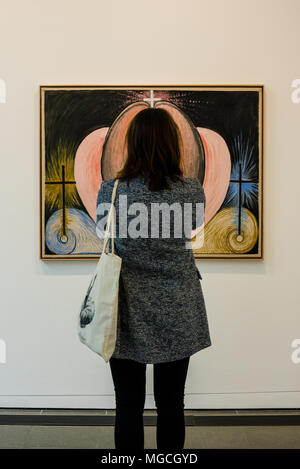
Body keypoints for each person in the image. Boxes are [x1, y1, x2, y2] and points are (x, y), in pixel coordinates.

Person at [96, 107, 212, 451]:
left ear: (131, 144)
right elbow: (190, 229)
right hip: (178, 307)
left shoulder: (110, 191)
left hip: (126, 308)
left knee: (127, 406)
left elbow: (108, 232)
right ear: (173, 145)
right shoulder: (190, 191)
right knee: (172, 404)